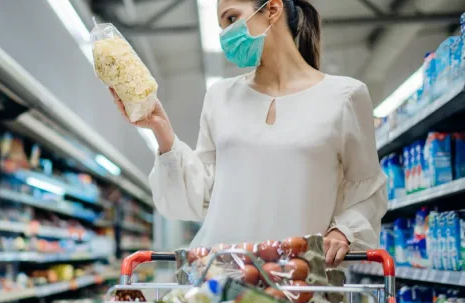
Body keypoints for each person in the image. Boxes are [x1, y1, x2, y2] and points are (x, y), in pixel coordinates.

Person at [110, 0, 387, 267]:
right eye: (222, 26)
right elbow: (201, 194)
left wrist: (344, 231)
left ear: (272, 9)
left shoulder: (345, 97)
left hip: (301, 280)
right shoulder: (220, 96)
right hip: (223, 277)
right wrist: (161, 129)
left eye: (231, 18)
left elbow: (368, 191)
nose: (225, 35)